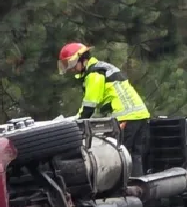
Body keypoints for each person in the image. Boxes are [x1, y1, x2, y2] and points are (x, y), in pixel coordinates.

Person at [58, 43, 151, 175]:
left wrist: (76, 123)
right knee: (135, 156)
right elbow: (102, 105)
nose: (70, 69)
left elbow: (89, 106)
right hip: (141, 115)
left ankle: (127, 189)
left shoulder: (94, 73)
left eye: (71, 64)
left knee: (123, 156)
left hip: (126, 119)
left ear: (81, 59)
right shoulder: (102, 68)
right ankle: (138, 188)